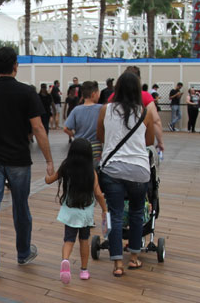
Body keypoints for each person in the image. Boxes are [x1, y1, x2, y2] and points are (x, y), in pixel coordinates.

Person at [0, 47, 54, 278]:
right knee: (21, 206)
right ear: (15, 66)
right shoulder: (27, 92)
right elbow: (38, 128)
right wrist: (49, 160)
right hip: (19, 159)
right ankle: (23, 252)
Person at [97, 72, 155, 278]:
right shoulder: (144, 112)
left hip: (112, 169)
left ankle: (117, 264)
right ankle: (134, 258)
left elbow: (99, 136)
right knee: (137, 213)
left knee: (114, 214)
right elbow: (149, 141)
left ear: (117, 89)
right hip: (139, 170)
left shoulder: (106, 109)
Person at [45, 137, 107, 285]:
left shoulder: (66, 167)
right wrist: (105, 209)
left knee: (68, 239)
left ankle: (65, 260)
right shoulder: (91, 172)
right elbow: (98, 193)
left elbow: (49, 180)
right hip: (85, 213)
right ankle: (84, 270)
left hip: (69, 211)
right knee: (84, 240)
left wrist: (49, 172)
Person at [64, 81, 103, 160]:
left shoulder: (76, 110)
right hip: (95, 146)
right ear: (93, 94)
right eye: (98, 93)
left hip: (79, 146)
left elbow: (66, 128)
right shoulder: (102, 109)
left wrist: (75, 136)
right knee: (95, 170)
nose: (99, 96)